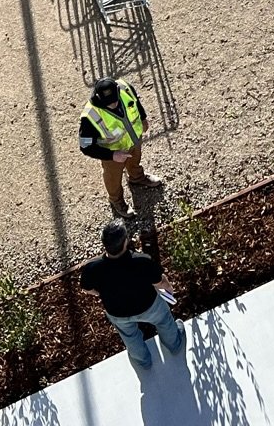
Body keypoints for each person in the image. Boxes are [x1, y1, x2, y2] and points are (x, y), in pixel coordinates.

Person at [79, 219, 184, 366]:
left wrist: (101, 293)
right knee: (163, 321)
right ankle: (174, 344)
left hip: (117, 312)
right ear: (125, 242)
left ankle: (143, 361)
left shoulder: (92, 268)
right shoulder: (142, 261)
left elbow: (87, 288)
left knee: (130, 336)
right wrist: (168, 289)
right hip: (149, 306)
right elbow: (160, 283)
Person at [78, 78, 163, 224]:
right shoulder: (89, 116)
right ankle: (116, 200)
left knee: (135, 160)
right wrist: (112, 155)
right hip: (112, 154)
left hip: (133, 140)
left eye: (114, 100)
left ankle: (136, 177)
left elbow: (135, 102)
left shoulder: (125, 88)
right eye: (108, 102)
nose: (113, 104)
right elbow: (85, 147)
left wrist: (143, 118)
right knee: (113, 179)